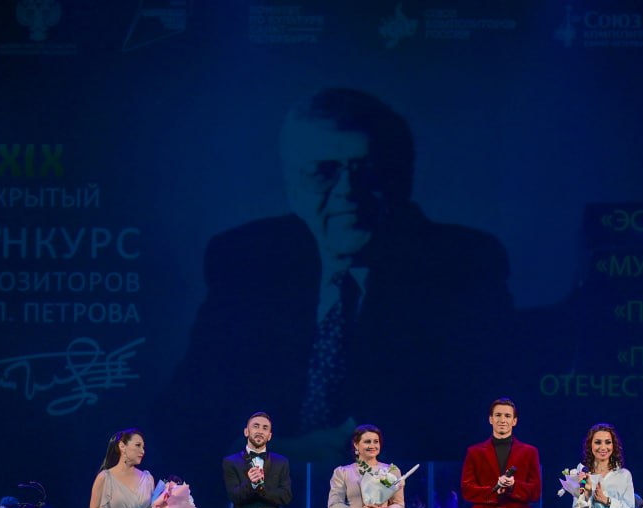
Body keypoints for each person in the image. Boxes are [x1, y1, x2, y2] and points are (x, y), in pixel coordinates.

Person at [161, 87, 512, 481]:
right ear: (291, 183)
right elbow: (188, 419)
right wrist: (267, 456)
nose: (348, 191)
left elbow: (470, 419)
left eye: (368, 171)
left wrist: (342, 456)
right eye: (323, 172)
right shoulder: (248, 261)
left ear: (402, 179)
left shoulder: (461, 265)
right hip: (264, 497)